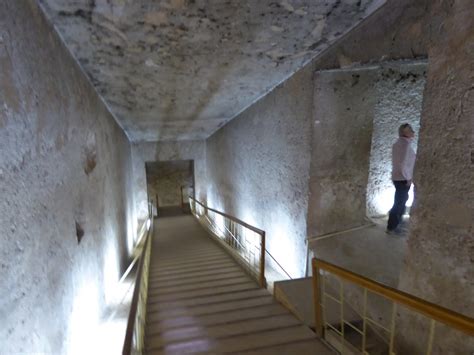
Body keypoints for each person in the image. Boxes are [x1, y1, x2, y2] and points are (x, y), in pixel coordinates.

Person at [386, 123, 416, 234]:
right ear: (404, 133)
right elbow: (402, 164)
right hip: (403, 178)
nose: (413, 132)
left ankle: (397, 224)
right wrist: (408, 177)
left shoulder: (398, 144)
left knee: (401, 201)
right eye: (410, 130)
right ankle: (392, 227)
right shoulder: (405, 145)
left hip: (398, 177)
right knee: (399, 203)